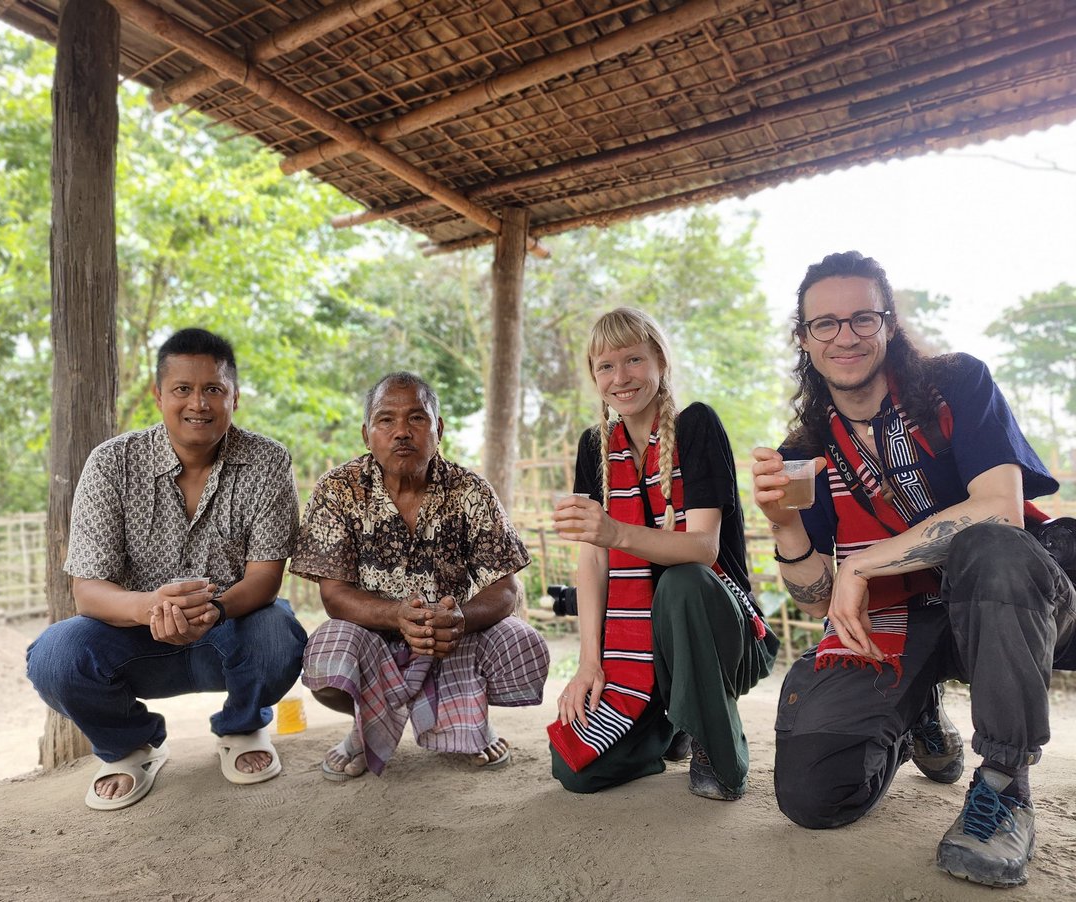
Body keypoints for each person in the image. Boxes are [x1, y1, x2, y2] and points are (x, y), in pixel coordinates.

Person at [751, 251, 1076, 888]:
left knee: (991, 549)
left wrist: (864, 563)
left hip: (1015, 601)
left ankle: (1004, 783)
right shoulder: (805, 451)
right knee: (814, 795)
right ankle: (913, 711)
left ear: (890, 324)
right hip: (902, 621)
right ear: (804, 338)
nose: (845, 335)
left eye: (862, 318)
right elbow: (817, 598)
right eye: (826, 323)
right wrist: (783, 524)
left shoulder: (954, 384)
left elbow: (1000, 513)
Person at [26, 328, 307, 811]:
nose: (198, 403)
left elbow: (265, 579)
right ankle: (133, 748)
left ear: (234, 397)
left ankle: (243, 727)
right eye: (182, 389)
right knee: (54, 657)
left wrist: (214, 610)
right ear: (159, 395)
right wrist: (152, 607)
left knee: (280, 634)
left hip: (229, 629)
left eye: (213, 389)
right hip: (134, 637)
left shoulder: (268, 462)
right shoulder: (112, 463)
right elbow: (88, 591)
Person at [549, 307, 778, 797]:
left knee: (683, 580)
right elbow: (591, 559)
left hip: (721, 633)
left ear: (659, 361)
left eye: (633, 359)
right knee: (577, 770)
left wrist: (615, 533)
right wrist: (589, 663)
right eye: (605, 366)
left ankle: (717, 752)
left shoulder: (696, 425)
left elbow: (701, 547)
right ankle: (666, 723)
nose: (620, 377)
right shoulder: (595, 447)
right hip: (635, 645)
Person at [290, 372, 550, 781]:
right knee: (326, 653)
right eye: (386, 420)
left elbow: (506, 588)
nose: (401, 433)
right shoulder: (338, 490)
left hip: (451, 643)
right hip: (373, 641)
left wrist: (460, 617)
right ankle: (364, 726)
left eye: (416, 419)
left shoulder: (470, 490)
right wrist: (396, 615)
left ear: (438, 428)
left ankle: (469, 722)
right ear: (366, 434)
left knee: (522, 641)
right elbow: (334, 596)